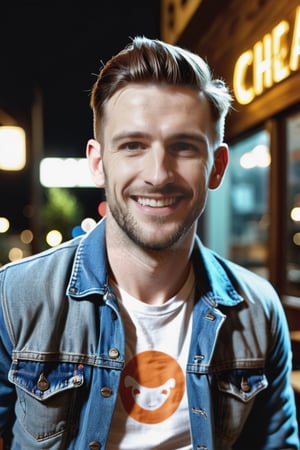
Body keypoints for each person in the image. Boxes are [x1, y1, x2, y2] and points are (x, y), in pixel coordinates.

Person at [0, 36, 299, 450]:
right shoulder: (14, 299)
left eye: (184, 146)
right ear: (98, 162)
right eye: (133, 146)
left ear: (218, 167)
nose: (158, 174)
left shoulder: (258, 310)